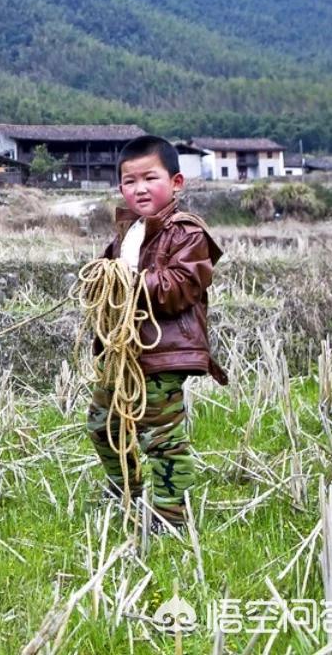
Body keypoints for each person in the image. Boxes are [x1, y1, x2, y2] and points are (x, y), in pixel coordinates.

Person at [85, 135, 228, 531]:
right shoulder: (126, 234)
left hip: (163, 354)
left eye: (150, 178)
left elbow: (178, 288)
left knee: (161, 440)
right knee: (102, 425)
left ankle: (170, 517)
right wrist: (102, 283)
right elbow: (103, 283)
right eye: (130, 181)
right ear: (120, 188)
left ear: (176, 183)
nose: (140, 188)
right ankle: (123, 490)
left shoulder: (188, 234)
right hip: (123, 354)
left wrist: (129, 282)